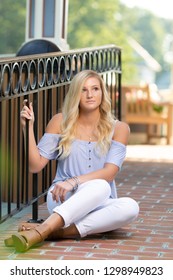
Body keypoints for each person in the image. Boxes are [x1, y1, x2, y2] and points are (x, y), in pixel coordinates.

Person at [4, 70, 139, 252]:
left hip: (98, 200)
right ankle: (52, 228)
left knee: (130, 207)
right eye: (83, 90)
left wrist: (73, 181)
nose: (90, 95)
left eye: (95, 89)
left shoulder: (119, 128)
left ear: (102, 92)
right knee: (101, 186)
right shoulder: (60, 121)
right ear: (75, 94)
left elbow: (110, 172)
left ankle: (49, 231)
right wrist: (27, 128)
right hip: (62, 197)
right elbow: (35, 165)